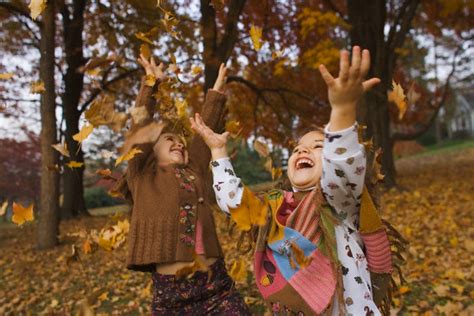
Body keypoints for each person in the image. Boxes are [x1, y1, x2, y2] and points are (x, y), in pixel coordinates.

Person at [191, 46, 394, 315]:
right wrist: (218, 151)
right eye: (298, 147)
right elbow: (234, 200)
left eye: (318, 146)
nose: (302, 150)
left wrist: (343, 111)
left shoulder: (338, 203)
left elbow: (342, 167)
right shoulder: (274, 211)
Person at [118, 55, 250, 315]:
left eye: (181, 141)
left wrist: (216, 94)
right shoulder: (142, 175)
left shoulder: (194, 171)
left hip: (217, 286)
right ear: (151, 149)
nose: (179, 143)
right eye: (169, 139)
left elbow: (205, 136)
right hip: (171, 294)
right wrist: (151, 85)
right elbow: (139, 130)